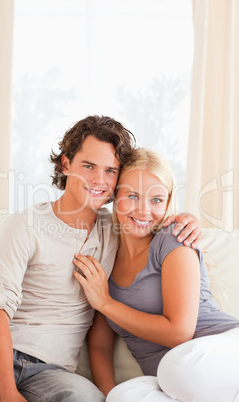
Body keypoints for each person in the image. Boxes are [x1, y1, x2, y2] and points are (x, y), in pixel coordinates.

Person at [0, 116, 201, 402]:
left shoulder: (118, 229)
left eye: (110, 171)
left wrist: (186, 220)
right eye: (88, 166)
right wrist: (5, 390)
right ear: (66, 165)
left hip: (53, 373)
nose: (99, 180)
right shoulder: (27, 224)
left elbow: (148, 217)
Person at [73, 148, 239, 402]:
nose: (144, 211)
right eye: (132, 195)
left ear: (168, 201)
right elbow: (100, 345)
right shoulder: (104, 251)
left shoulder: (172, 239)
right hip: (171, 382)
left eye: (156, 200)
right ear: (115, 196)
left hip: (218, 352)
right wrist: (106, 395)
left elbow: (179, 333)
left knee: (179, 368)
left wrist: (105, 303)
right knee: (123, 396)